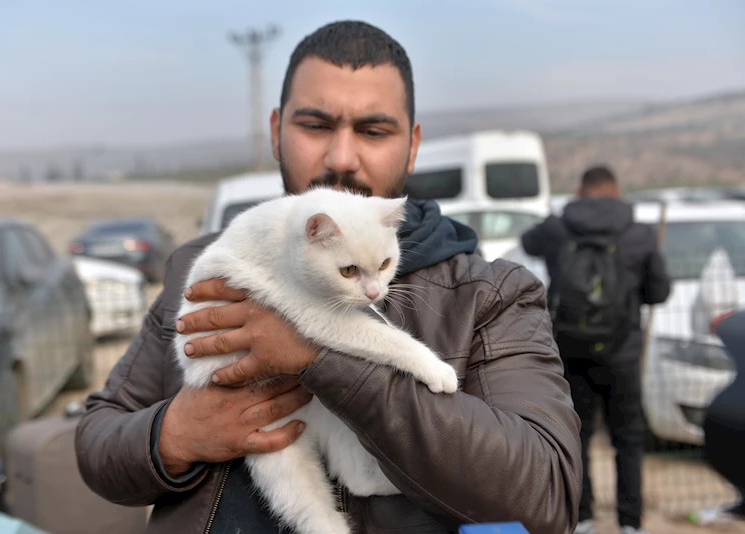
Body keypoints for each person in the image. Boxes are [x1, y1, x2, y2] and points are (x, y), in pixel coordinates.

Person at [76, 20, 582, 534]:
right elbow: (98, 440)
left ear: (412, 144)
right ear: (276, 131)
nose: (341, 157)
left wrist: (322, 359)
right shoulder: (204, 271)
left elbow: (545, 495)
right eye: (315, 126)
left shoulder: (487, 295)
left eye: (373, 130)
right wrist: (174, 434)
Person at [521, 166, 671, 534]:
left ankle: (583, 518)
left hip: (570, 351)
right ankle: (630, 524)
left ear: (579, 190)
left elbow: (527, 243)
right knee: (629, 439)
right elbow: (660, 292)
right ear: (616, 192)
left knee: (577, 436)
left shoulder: (558, 228)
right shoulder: (640, 233)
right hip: (622, 353)